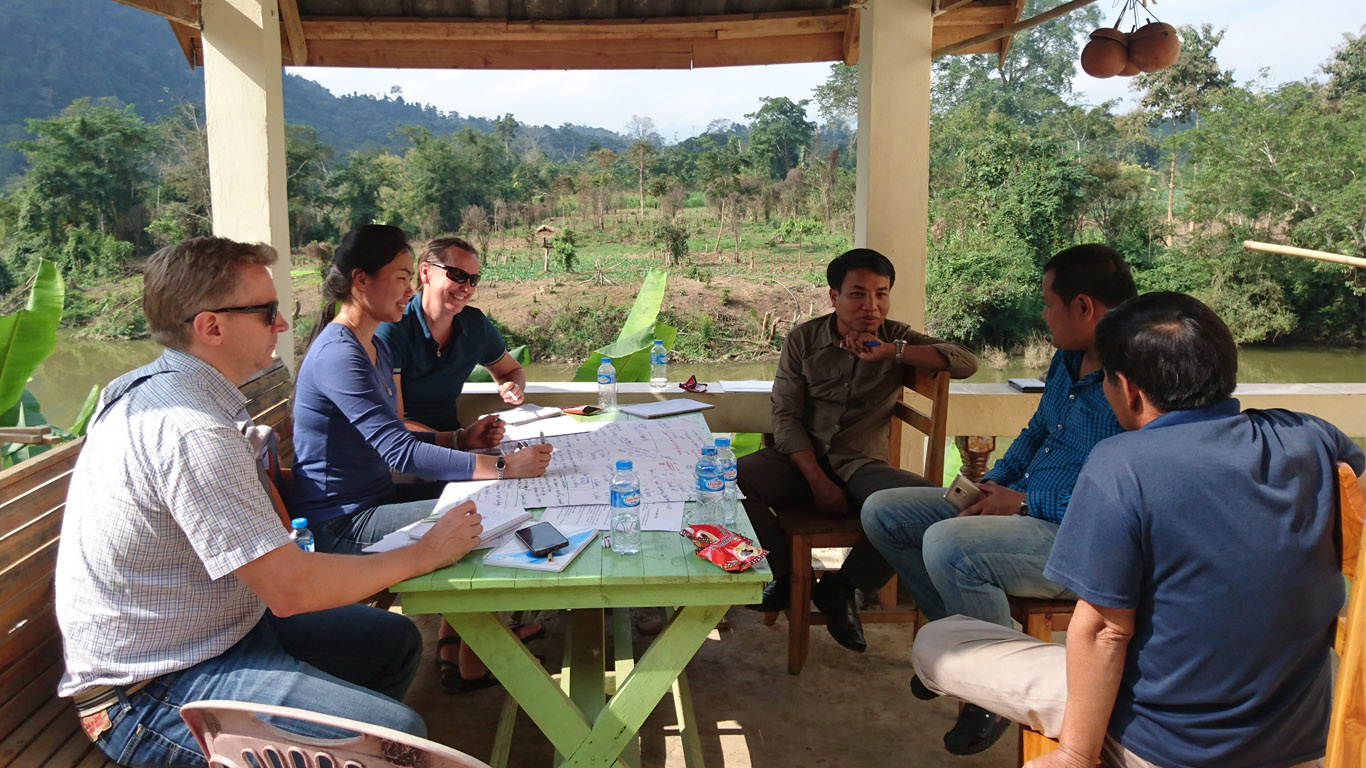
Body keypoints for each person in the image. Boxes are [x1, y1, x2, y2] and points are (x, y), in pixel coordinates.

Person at [54, 236, 486, 768]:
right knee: (399, 739)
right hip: (153, 687)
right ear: (210, 327)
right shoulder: (189, 429)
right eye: (266, 312)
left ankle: (329, 744)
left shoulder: (172, 390)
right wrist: (425, 553)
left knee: (393, 642)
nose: (282, 325)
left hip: (223, 626)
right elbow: (288, 590)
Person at [911, 291, 1365, 768]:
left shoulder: (1122, 464)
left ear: (1127, 390)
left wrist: (1075, 754)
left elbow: (1106, 630)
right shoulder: (1310, 436)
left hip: (1160, 742)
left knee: (939, 643)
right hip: (1299, 737)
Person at [862, 244, 1136, 754]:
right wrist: (989, 485)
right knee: (885, 512)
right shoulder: (1068, 357)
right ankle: (958, 645)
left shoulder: (1135, 378)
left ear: (1083, 307)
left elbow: (1125, 491)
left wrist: (1027, 503)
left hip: (1078, 533)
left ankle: (992, 695)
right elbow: (1037, 432)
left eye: (1047, 303)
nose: (1041, 313)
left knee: (952, 546)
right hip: (1023, 504)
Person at [291, 224, 553, 693]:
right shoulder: (340, 353)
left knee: (481, 504)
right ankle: (475, 654)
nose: (408, 289)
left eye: (410, 276)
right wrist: (503, 466)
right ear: (360, 280)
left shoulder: (366, 345)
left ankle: (467, 645)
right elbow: (399, 449)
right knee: (489, 514)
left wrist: (474, 451)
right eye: (400, 277)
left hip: (374, 499)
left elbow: (396, 433)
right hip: (341, 524)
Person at [740, 247, 978, 653]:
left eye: (881, 294)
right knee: (730, 482)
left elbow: (965, 361)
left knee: (930, 504)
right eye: (858, 294)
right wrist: (816, 480)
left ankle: (844, 587)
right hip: (798, 463)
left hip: (861, 465)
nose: (872, 306)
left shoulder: (896, 338)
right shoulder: (804, 340)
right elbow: (785, 417)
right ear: (834, 296)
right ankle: (786, 577)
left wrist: (890, 352)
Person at [375, 235, 526, 433]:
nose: (467, 288)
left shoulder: (475, 326)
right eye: (457, 274)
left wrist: (513, 386)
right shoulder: (393, 327)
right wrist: (458, 442)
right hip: (403, 448)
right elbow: (392, 423)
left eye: (473, 280)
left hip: (453, 440)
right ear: (425, 273)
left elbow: (511, 371)